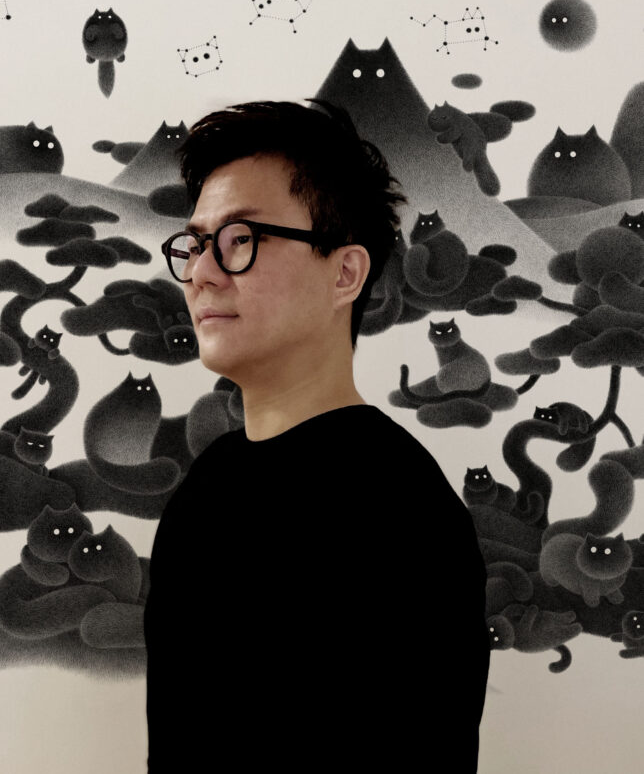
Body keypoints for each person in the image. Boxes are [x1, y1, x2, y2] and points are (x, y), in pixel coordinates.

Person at [144, 100, 489, 773]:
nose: (203, 274)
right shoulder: (205, 484)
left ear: (345, 273)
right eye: (195, 244)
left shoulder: (399, 509)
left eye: (240, 239)